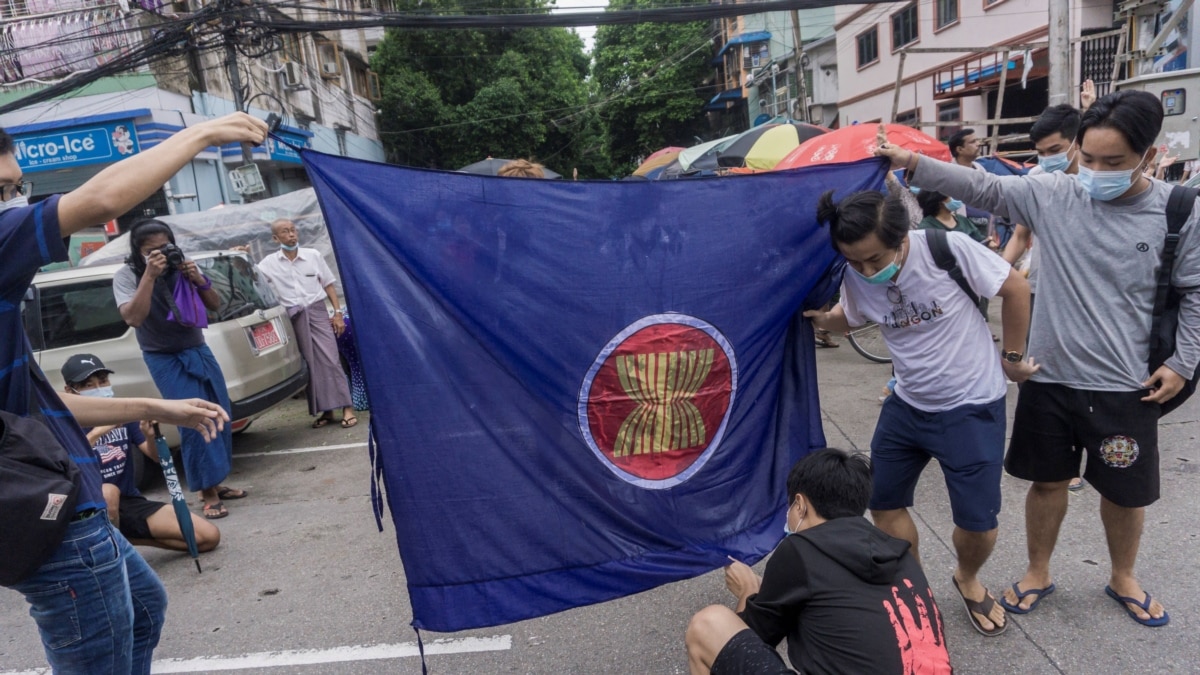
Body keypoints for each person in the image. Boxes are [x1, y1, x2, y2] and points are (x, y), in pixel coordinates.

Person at [875, 90, 1199, 628]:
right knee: (1046, 482)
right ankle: (1037, 571)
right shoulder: (1054, 193)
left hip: (1127, 383)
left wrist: (1184, 362)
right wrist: (913, 162)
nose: (1094, 172)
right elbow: (981, 185)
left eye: (1112, 162)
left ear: (1148, 154)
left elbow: (1193, 292)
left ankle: (1123, 576)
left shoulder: (1178, 211)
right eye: (1087, 158)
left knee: (1125, 492)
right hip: (1048, 378)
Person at [0, 112, 264, 673]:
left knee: (145, 609)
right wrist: (204, 133)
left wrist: (154, 407)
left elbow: (31, 402)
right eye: (1, 190)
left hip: (69, 502)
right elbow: (99, 200)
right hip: (49, 514)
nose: (15, 203)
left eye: (16, 188)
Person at [804, 187, 1033, 637]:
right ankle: (914, 585)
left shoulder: (945, 249)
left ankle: (967, 578)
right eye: (855, 262)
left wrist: (1011, 357)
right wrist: (817, 317)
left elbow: (1016, 287)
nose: (868, 271)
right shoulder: (855, 276)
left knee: (978, 525)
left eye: (875, 259)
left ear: (901, 236)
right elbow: (849, 317)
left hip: (970, 407)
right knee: (883, 503)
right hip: (906, 405)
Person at [684, 448, 952, 675]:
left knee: (710, 624)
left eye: (789, 508)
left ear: (800, 505)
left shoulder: (801, 549)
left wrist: (748, 591)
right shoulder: (900, 554)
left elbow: (753, 637)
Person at [115, 219, 248, 520]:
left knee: (219, 414)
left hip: (197, 349)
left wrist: (198, 279)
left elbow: (214, 305)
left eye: (165, 247)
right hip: (163, 357)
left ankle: (215, 481)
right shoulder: (127, 275)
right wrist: (149, 275)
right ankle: (207, 493)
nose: (160, 255)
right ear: (138, 253)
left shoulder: (182, 266)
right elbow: (133, 318)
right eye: (152, 251)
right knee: (193, 419)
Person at [1000, 103, 1087, 492]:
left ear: (1076, 143)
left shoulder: (1098, 180)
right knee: (1031, 369)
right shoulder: (1037, 181)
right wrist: (998, 271)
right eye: (1042, 152)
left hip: (1083, 294)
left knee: (1079, 372)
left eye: (1055, 150)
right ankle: (1054, 453)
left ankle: (1080, 447)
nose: (1047, 159)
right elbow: (1020, 234)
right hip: (1036, 289)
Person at [61, 353, 220, 553]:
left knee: (207, 537)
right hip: (89, 506)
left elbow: (156, 458)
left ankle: (127, 540)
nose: (99, 389)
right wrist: (98, 431)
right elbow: (63, 466)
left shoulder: (122, 412)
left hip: (129, 501)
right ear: (70, 391)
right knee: (109, 491)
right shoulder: (62, 422)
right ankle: (112, 555)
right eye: (88, 385)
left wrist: (151, 436)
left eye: (102, 381)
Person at [255, 218, 356, 428]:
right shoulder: (268, 264)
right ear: (276, 238)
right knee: (310, 364)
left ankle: (347, 407)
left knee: (331, 359)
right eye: (285, 232)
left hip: (318, 311)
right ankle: (327, 411)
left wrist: (337, 314)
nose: (291, 235)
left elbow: (328, 285)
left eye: (293, 230)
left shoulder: (313, 256)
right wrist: (242, 255)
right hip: (294, 317)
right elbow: (253, 277)